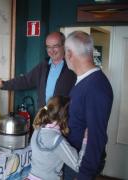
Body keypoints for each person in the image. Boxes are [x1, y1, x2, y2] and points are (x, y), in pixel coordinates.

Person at [64, 31, 113, 180]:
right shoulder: (84, 80)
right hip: (73, 159)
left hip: (80, 167)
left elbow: (96, 136)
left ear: (70, 54)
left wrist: (84, 175)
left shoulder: (96, 86)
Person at [0, 32, 76, 109]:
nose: (51, 50)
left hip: (64, 118)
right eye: (48, 47)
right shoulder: (43, 66)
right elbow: (25, 81)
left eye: (55, 46)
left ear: (63, 46)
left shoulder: (73, 67)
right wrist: (4, 84)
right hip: (44, 116)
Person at [27, 96, 87, 180]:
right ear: (65, 117)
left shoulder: (37, 130)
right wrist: (86, 140)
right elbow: (79, 166)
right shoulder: (57, 140)